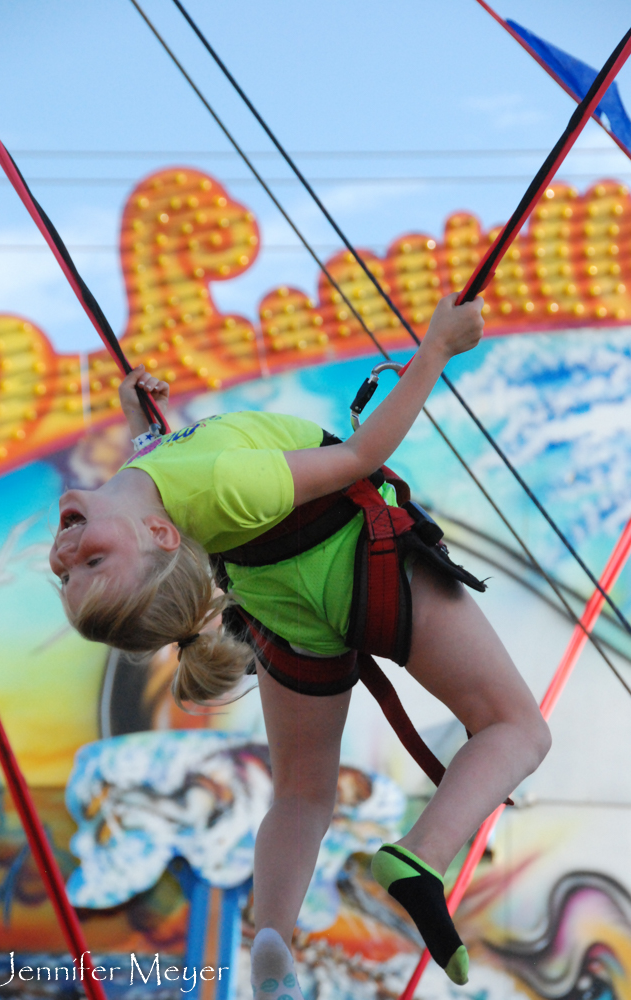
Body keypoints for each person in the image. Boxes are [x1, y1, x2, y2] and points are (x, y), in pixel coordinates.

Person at [50, 292, 551, 992]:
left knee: (302, 794)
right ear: (162, 540)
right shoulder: (222, 484)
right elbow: (362, 453)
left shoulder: (157, 488)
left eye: (68, 570)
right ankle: (422, 853)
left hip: (280, 610)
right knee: (515, 729)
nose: (68, 551)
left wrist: (142, 422)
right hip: (357, 565)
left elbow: (161, 476)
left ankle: (270, 942)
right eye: (92, 565)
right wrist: (435, 346)